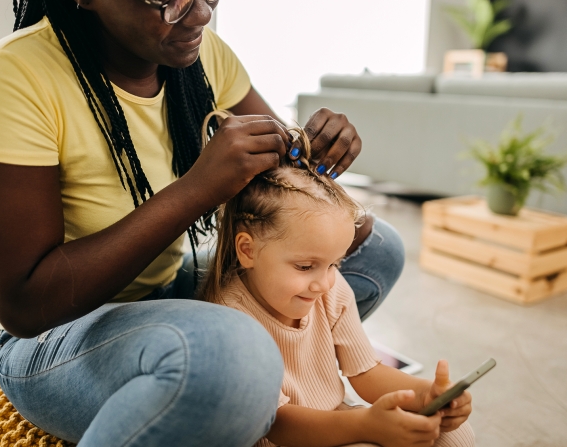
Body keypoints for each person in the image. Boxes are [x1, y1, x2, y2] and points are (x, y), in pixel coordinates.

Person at [0, 0, 406, 445]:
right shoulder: (16, 73)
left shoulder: (202, 53)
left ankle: (269, 386)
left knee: (374, 245)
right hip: (59, 338)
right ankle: (243, 382)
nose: (200, 13)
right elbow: (24, 305)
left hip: (171, 290)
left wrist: (316, 158)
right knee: (231, 353)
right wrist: (198, 188)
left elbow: (282, 185)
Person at [201, 128, 475, 447]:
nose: (324, 283)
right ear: (247, 250)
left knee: (453, 434)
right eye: (305, 266)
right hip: (290, 438)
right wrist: (365, 426)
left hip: (341, 420)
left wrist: (427, 395)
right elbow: (277, 424)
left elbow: (367, 373)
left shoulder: (330, 289)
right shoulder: (231, 323)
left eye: (335, 264)